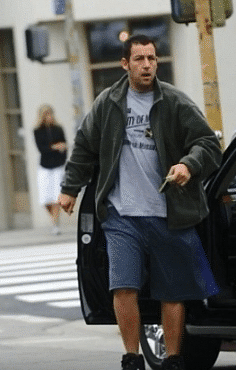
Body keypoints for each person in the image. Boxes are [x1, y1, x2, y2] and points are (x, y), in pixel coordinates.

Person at [58, 34, 222, 370]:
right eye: (139, 59)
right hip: (122, 215)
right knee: (123, 286)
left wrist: (187, 165)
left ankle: (174, 358)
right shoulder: (109, 103)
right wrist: (69, 189)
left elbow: (207, 144)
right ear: (125, 64)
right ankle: (132, 357)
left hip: (168, 213)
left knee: (172, 292)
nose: (146, 65)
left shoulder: (175, 102)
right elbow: (85, 147)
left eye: (151, 59)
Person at [34, 104, 67, 235]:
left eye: (50, 114)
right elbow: (42, 149)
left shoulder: (58, 129)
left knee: (56, 196)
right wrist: (55, 147)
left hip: (58, 165)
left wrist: (60, 149)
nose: (49, 117)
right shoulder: (38, 131)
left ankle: (55, 223)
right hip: (45, 166)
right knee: (45, 198)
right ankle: (53, 218)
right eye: (46, 115)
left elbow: (64, 145)